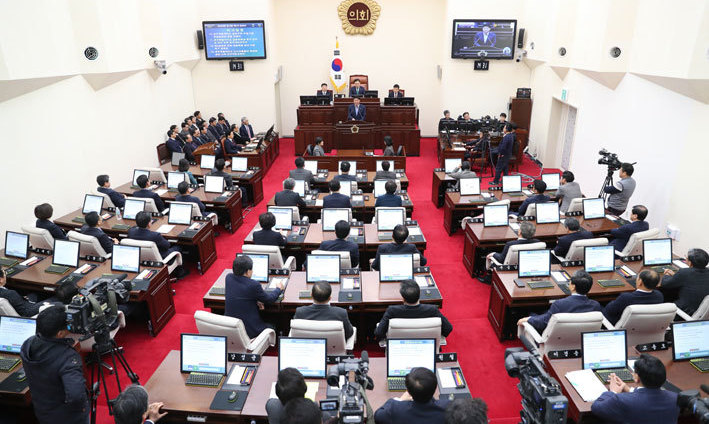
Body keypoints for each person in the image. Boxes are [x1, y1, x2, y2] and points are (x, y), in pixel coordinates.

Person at [20, 305, 89, 424]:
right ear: (60, 333)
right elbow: (76, 396)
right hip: (69, 418)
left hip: (43, 411)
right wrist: (82, 409)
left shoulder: (28, 344)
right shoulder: (67, 358)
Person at [591, 354, 679, 424]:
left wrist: (613, 391)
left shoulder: (621, 400)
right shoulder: (676, 399)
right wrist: (629, 390)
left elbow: (597, 408)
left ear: (637, 378)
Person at [518, 270, 601, 333]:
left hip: (554, 340)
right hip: (580, 341)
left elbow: (544, 323)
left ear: (573, 287)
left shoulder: (559, 304)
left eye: (570, 282)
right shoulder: (595, 305)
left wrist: (528, 319)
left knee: (531, 313)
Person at [225, 255, 283, 338]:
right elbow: (269, 299)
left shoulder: (228, 278)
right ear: (248, 272)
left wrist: (255, 300)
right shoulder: (253, 285)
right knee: (274, 322)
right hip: (250, 331)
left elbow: (242, 294)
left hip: (231, 327)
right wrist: (278, 289)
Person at [374, 279, 452, 340]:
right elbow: (448, 329)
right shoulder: (432, 310)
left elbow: (379, 333)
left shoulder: (392, 311)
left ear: (403, 299)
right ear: (419, 295)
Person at [373, 367, 448, 424]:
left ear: (408, 391)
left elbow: (377, 416)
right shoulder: (449, 408)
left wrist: (400, 400)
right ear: (435, 388)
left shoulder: (395, 409)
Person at [660, 248, 709, 315]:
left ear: (690, 263)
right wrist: (676, 276)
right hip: (700, 311)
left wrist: (666, 275)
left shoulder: (684, 272)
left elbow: (665, 284)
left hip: (684, 311)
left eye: (686, 258)